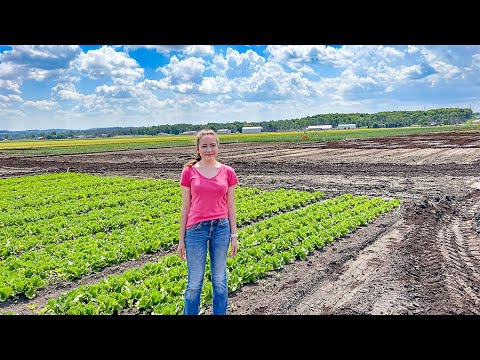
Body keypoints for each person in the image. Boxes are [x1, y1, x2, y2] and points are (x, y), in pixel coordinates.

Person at [178, 128, 239, 315]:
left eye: (212, 145)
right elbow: (185, 207)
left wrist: (234, 235)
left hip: (221, 228)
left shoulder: (228, 172)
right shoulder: (189, 171)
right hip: (195, 230)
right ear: (197, 148)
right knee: (194, 283)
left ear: (218, 147)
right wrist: (181, 240)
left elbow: (231, 206)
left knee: (219, 280)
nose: (208, 149)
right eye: (204, 146)